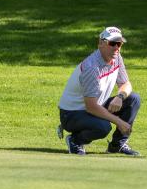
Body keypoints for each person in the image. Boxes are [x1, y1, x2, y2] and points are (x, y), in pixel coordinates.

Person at [57, 27, 141, 156]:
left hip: (94, 106)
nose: (116, 47)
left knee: (133, 99)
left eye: (119, 44)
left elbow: (126, 84)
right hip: (72, 114)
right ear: (101, 43)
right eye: (112, 43)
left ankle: (117, 145)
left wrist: (120, 96)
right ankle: (75, 141)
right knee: (103, 127)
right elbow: (91, 107)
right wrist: (120, 122)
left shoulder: (117, 58)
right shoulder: (92, 68)